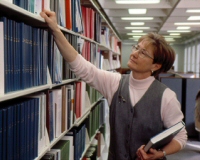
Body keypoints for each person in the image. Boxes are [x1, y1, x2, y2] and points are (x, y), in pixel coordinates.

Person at [40, 10, 187, 160]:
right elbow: (81, 67)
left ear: (155, 66)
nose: (134, 53)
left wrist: (160, 153)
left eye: (143, 53)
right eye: (136, 48)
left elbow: (181, 135)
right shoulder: (115, 83)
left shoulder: (166, 97)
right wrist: (56, 29)